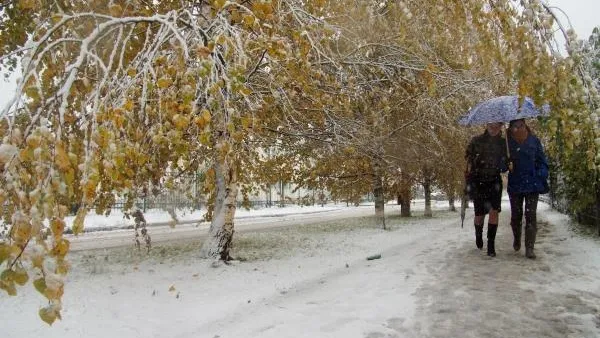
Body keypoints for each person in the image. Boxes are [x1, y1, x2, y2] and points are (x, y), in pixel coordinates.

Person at [507, 118, 549, 259]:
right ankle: (517, 237)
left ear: (525, 125)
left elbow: (542, 162)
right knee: (515, 216)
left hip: (532, 184)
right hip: (515, 185)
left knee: (531, 216)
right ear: (511, 127)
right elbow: (501, 164)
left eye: (521, 125)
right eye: (515, 126)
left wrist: (540, 174)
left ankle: (529, 247)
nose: (518, 128)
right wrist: (506, 163)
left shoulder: (534, 141)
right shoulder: (507, 143)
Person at [465, 122, 508, 257]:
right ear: (487, 125)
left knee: (494, 211)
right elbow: (467, 158)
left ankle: (491, 244)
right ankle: (479, 234)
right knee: (479, 214)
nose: (494, 129)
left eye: (497, 126)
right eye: (491, 126)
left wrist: (507, 163)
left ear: (501, 126)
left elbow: (505, 166)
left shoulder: (503, 143)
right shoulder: (476, 141)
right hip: (479, 181)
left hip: (494, 181)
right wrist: (474, 159)